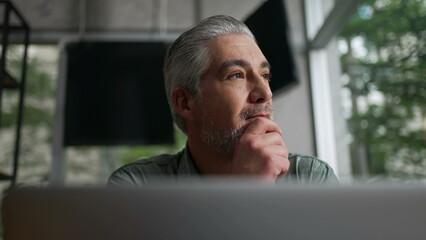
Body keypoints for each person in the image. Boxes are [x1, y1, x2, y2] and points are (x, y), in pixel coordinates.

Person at [108, 15, 338, 186]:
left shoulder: (309, 177)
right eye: (236, 75)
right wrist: (242, 193)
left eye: (265, 75)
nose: (265, 93)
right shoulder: (136, 186)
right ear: (185, 102)